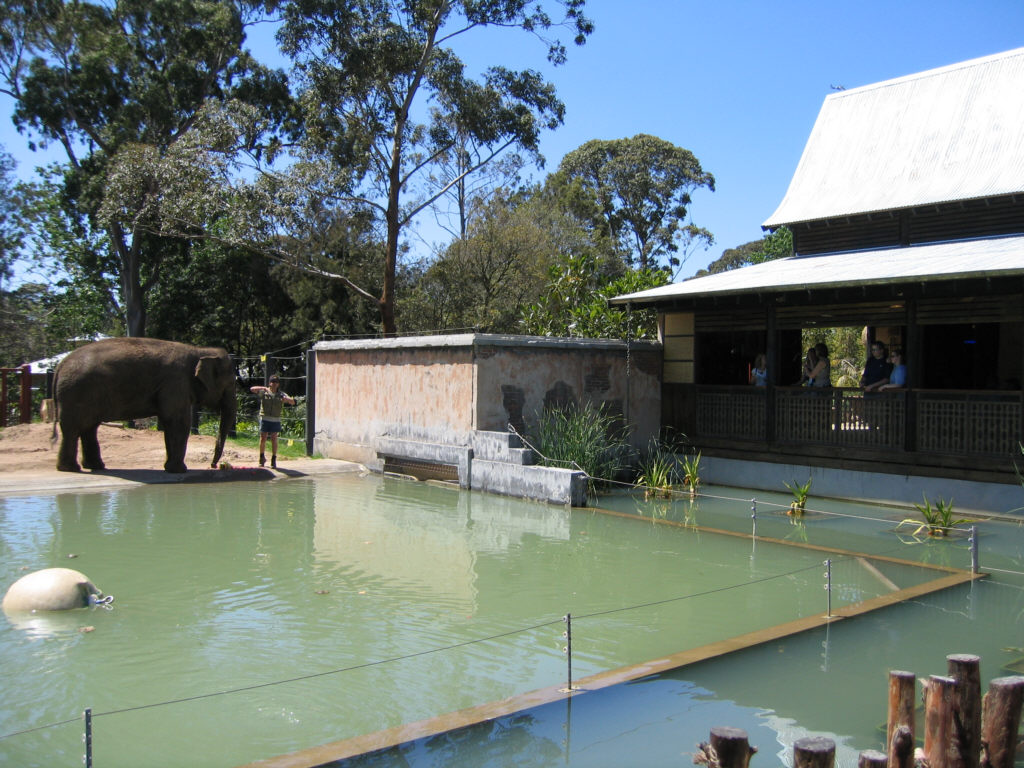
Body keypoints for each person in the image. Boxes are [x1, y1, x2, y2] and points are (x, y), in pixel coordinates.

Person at [250, 374, 296, 468]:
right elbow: (252, 389)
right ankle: (261, 457)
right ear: (269, 383)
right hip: (265, 418)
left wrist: (287, 399)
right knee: (263, 438)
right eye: (272, 382)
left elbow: (293, 402)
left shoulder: (281, 394)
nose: (274, 384)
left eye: (276, 382)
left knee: (274, 438)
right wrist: (264, 388)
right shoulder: (264, 392)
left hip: (275, 419)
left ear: (278, 384)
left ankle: (273, 458)